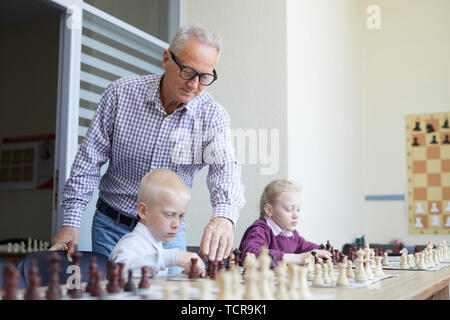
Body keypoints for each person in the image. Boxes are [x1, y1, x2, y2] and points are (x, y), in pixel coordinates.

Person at [50, 25, 245, 268]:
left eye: (205, 77)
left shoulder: (212, 116)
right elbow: (88, 162)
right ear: (166, 59)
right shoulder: (120, 94)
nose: (194, 84)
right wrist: (71, 221)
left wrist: (224, 217)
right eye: (188, 71)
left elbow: (226, 169)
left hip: (168, 233)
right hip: (112, 226)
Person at [109, 169, 206, 278]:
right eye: (169, 215)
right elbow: (118, 272)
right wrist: (173, 257)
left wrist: (181, 277)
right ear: (143, 211)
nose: (176, 224)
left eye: (181, 216)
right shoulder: (132, 244)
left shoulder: (155, 244)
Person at [238, 179, 331, 265]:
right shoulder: (260, 230)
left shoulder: (291, 234)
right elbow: (250, 255)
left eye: (298, 209)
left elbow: (307, 248)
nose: (296, 215)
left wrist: (324, 252)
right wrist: (298, 258)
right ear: (269, 210)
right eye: (289, 209)